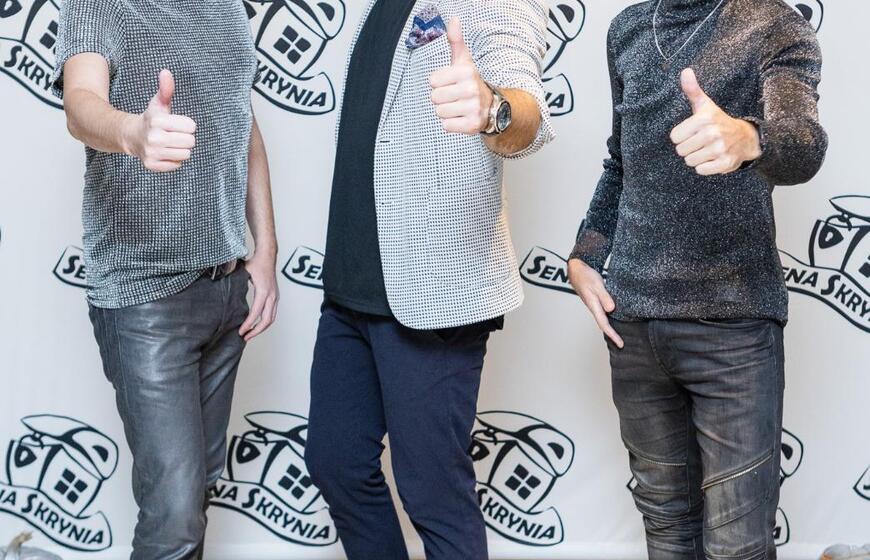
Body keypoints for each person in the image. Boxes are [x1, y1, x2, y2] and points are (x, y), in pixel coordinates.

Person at [567, 0, 827, 557]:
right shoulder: (626, 29)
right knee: (666, 528)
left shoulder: (774, 24)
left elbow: (803, 144)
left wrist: (751, 139)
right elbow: (621, 163)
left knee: (738, 545)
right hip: (633, 328)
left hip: (732, 328)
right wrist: (585, 253)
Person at [302, 1, 554, 558]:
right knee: (335, 462)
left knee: (433, 493)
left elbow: (527, 111)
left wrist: (493, 110)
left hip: (435, 290)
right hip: (350, 287)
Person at [51, 0, 279, 557]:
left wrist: (266, 251)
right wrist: (133, 132)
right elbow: (80, 104)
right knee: (175, 515)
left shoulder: (229, 10)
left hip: (227, 289)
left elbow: (243, 123)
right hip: (145, 296)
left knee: (193, 498)